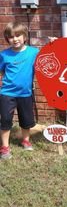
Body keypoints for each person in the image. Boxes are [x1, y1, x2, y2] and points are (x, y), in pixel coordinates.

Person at [0, 22, 39, 159]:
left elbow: (49, 58)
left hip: (25, 93)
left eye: (18, 35)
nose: (15, 39)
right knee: (5, 121)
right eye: (11, 37)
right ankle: (5, 147)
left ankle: (26, 140)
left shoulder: (34, 52)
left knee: (26, 120)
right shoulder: (4, 55)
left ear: (25, 36)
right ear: (7, 39)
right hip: (7, 94)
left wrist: (53, 43)